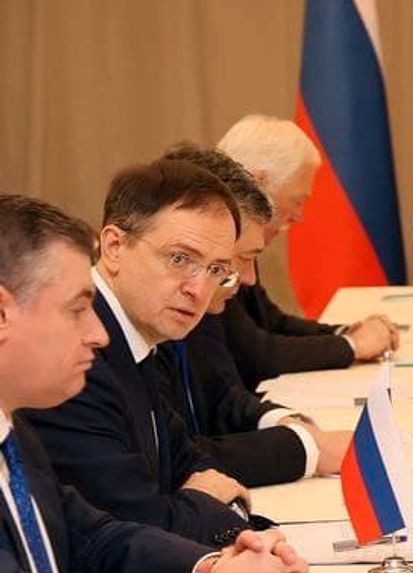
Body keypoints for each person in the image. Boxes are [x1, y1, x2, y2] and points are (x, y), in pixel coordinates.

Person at [0, 194, 309, 573]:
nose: (98, 333)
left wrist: (210, 565)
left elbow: (93, 537)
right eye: (77, 309)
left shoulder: (13, 428)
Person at [25, 160, 258, 546]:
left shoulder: (139, 335)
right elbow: (141, 523)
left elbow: (190, 460)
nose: (199, 290)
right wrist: (209, 504)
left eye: (216, 269)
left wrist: (213, 503)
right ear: (114, 246)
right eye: (180, 259)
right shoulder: (78, 357)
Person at [157, 143, 350, 486]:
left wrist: (287, 424)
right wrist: (306, 449)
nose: (247, 279)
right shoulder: (120, 335)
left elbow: (221, 398)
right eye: (238, 260)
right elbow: (173, 462)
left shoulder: (188, 309)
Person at [216, 114, 398, 388]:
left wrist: (346, 334)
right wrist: (352, 346)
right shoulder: (217, 243)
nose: (299, 215)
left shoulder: (243, 237)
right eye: (297, 200)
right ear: (258, 184)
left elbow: (271, 322)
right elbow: (256, 355)